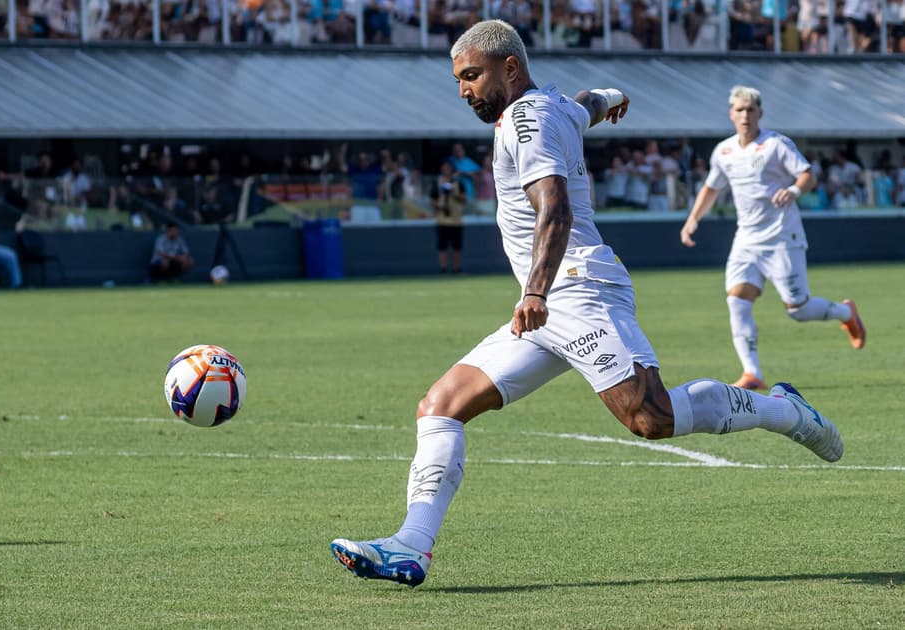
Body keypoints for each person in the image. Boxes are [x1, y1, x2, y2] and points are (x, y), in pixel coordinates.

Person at [330, 20, 845, 588]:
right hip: (551, 300)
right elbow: (584, 106)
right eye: (458, 80)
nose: (463, 90)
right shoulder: (548, 106)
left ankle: (784, 410)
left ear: (510, 68)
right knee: (441, 405)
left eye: (471, 76)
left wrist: (534, 292)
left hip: (575, 289)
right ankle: (411, 546)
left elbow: (555, 210)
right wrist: (612, 96)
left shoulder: (526, 120)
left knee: (652, 418)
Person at [680, 85, 866, 392]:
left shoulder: (777, 144)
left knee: (798, 310)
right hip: (747, 240)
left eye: (750, 110)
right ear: (731, 114)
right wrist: (692, 220)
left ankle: (847, 313)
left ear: (760, 113)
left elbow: (808, 175)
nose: (745, 116)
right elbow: (712, 188)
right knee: (737, 300)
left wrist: (793, 190)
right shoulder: (724, 151)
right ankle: (752, 372)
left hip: (782, 237)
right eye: (739, 110)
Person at [430, 160, 466, 273]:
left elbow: (464, 199)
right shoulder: (437, 183)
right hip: (442, 220)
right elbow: (432, 201)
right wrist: (441, 206)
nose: (446, 170)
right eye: (444, 167)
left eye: (448, 167)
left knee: (456, 246)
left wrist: (454, 194)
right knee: (442, 246)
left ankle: (456, 268)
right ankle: (443, 268)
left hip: (456, 220)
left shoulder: (458, 183)